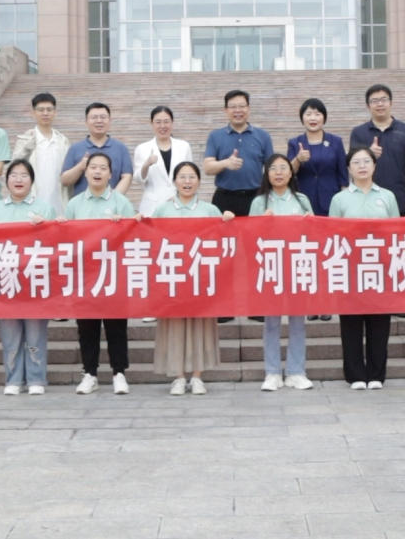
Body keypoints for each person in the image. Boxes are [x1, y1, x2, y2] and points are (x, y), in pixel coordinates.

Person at [149, 162, 233, 395]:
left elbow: (223, 242)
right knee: (174, 327)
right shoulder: (163, 210)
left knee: (201, 327)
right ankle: (178, 377)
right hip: (173, 278)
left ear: (199, 181)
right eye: (182, 177)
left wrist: (228, 220)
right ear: (175, 181)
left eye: (192, 177)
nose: (187, 181)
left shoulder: (210, 210)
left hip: (201, 279)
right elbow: (151, 241)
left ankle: (197, 377)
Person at [62, 153, 136, 395]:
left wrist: (122, 224)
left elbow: (133, 236)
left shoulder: (121, 202)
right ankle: (90, 374)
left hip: (113, 274)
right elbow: (65, 239)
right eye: (93, 167)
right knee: (87, 328)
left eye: (103, 168)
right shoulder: (74, 204)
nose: (97, 171)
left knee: (116, 327)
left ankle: (119, 373)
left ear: (110, 174)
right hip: (84, 276)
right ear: (85, 172)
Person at [0, 160, 58, 395]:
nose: (18, 179)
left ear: (32, 181)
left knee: (35, 334)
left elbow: (55, 242)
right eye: (14, 175)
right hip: (6, 280)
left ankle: (36, 379)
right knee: (10, 334)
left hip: (35, 281)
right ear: (6, 181)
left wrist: (45, 226)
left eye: (24, 175)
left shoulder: (44, 208)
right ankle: (13, 380)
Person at [329, 146, 399, 389]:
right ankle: (356, 375)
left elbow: (397, 232)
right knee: (351, 323)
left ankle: (377, 375)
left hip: (381, 269)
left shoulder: (388, 196)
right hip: (350, 270)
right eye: (356, 162)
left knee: (380, 323)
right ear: (348, 168)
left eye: (366, 161)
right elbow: (332, 236)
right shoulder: (339, 199)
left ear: (374, 165)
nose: (362, 166)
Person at [350, 84, 405, 319]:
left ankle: (399, 301)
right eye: (374, 100)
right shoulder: (359, 132)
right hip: (366, 202)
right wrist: (369, 154)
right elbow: (353, 163)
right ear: (367, 105)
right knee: (368, 252)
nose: (380, 104)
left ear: (391, 102)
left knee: (398, 252)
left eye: (384, 99)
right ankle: (368, 298)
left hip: (399, 198)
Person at [204, 90, 273, 322]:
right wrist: (226, 163)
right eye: (233, 106)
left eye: (242, 105)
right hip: (224, 200)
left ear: (249, 108)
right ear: (226, 110)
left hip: (255, 199)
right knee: (224, 254)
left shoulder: (262, 136)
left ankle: (257, 306)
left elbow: (271, 168)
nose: (238, 110)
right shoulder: (216, 136)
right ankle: (225, 308)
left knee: (257, 253)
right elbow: (207, 167)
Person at [251, 154, 316, 391]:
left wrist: (310, 221)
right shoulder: (260, 202)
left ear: (291, 173)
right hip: (271, 268)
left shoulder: (301, 200)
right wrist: (261, 222)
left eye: (283, 168)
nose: (278, 172)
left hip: (298, 266)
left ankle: (296, 372)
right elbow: (249, 236)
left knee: (298, 322)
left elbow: (315, 234)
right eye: (273, 168)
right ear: (267, 174)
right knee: (271, 322)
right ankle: (272, 373)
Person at [12, 92, 71, 216]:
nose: (45, 113)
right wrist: (26, 150)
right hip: (32, 202)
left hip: (59, 201)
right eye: (40, 110)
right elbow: (13, 167)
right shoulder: (25, 139)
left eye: (49, 109)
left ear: (55, 112)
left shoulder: (63, 141)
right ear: (33, 113)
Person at [287, 97, 348, 218]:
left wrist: (345, 200)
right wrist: (298, 159)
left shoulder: (336, 142)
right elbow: (288, 173)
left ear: (324, 118)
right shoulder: (295, 143)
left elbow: (343, 174)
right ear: (302, 118)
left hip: (331, 198)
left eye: (317, 114)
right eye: (308, 114)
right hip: (304, 198)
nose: (313, 118)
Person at [61, 102, 133, 196]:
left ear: (109, 120)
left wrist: (113, 198)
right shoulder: (75, 148)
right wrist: (81, 166)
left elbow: (127, 176)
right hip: (82, 203)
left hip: (112, 204)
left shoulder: (121, 148)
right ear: (86, 121)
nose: (99, 121)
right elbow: (65, 181)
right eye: (94, 117)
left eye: (103, 117)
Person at [133, 106, 193, 217]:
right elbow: (139, 179)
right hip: (152, 207)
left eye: (166, 122)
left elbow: (190, 175)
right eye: (158, 122)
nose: (162, 126)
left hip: (179, 203)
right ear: (152, 124)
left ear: (172, 123)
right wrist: (146, 164)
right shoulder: (142, 148)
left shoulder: (184, 146)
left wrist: (182, 196)